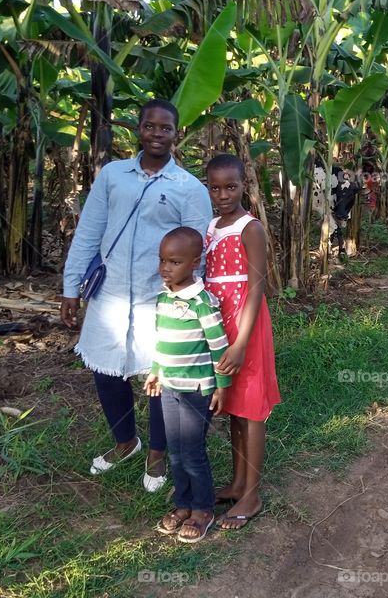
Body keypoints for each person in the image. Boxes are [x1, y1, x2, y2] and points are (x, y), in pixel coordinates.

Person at [60, 99, 212, 492]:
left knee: (158, 375)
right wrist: (70, 288)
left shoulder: (190, 188)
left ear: (177, 134)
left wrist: (195, 303)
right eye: (150, 126)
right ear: (138, 130)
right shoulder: (113, 175)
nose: (157, 134)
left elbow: (200, 251)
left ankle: (158, 453)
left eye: (165, 128)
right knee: (106, 369)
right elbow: (89, 232)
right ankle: (125, 442)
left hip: (159, 297)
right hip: (109, 294)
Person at [204, 153, 281, 529]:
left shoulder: (250, 228)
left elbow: (256, 286)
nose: (223, 195)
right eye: (215, 188)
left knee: (251, 409)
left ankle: (252, 492)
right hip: (221, 324)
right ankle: (236, 483)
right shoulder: (212, 225)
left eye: (230, 187)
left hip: (245, 327)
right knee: (233, 405)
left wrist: (240, 343)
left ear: (243, 186)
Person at [144, 227, 229, 543]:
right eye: (163, 260)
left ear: (195, 262)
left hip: (196, 390)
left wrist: (222, 386)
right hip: (168, 386)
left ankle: (203, 509)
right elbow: (162, 340)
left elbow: (219, 347)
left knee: (193, 451)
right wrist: (155, 371)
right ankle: (182, 503)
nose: (166, 268)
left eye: (175, 262)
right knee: (176, 450)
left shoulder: (202, 302)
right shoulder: (164, 297)